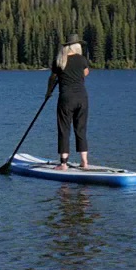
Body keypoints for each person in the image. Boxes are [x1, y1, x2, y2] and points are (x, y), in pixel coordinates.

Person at [45, 34, 90, 170]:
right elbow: (86, 72)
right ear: (77, 46)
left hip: (66, 98)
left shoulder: (59, 60)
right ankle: (84, 162)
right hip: (82, 97)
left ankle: (63, 163)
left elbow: (52, 78)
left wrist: (48, 92)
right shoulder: (82, 59)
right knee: (80, 129)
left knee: (64, 129)